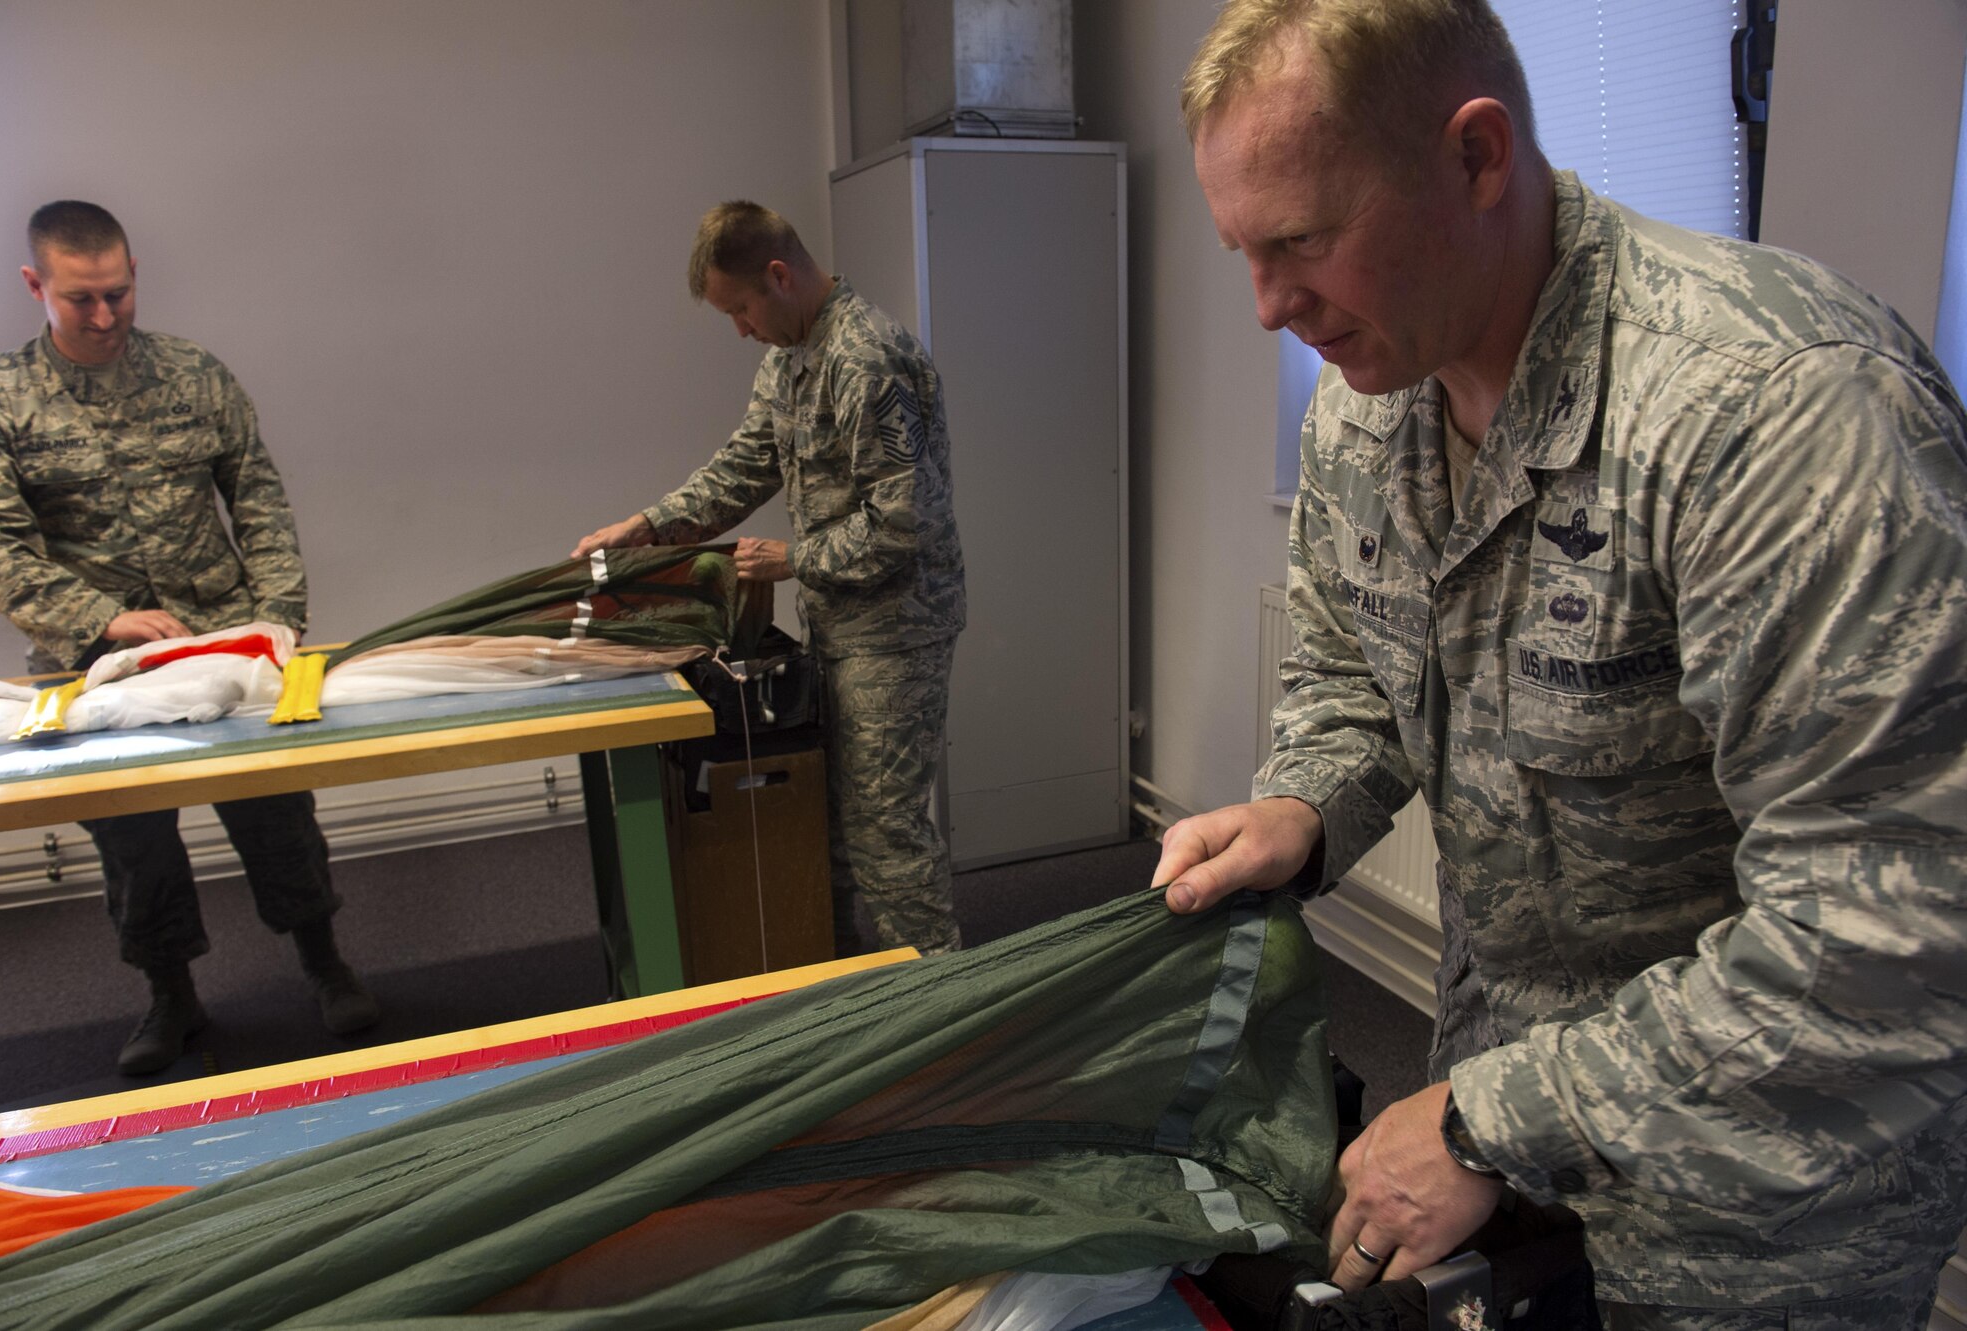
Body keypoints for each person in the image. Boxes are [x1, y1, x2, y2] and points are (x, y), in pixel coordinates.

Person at [1156, 3, 1967, 1328]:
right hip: (1499, 1143)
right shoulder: (1367, 414)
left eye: (1303, 240)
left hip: (1761, 1212)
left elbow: (1891, 927)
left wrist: (1489, 1120)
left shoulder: (1780, 412)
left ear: (1476, 158)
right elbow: (1357, 678)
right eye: (1246, 251)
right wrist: (1303, 803)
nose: (1268, 307)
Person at [0, 201, 380, 1075]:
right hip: (94, 667)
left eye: (118, 292)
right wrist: (97, 620)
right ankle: (171, 995)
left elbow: (258, 496)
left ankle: (323, 959)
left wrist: (277, 613)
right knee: (134, 842)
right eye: (82, 299)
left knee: (277, 815)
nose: (107, 315)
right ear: (36, 286)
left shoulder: (194, 375)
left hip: (223, 637)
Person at [572, 201, 966, 957]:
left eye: (741, 308)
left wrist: (795, 559)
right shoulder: (789, 358)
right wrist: (648, 524)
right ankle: (859, 986)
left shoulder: (866, 358)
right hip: (839, 625)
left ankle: (948, 1012)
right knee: (832, 827)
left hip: (896, 630)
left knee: (887, 835)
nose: (741, 329)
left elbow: (905, 518)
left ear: (778, 275)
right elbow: (745, 464)